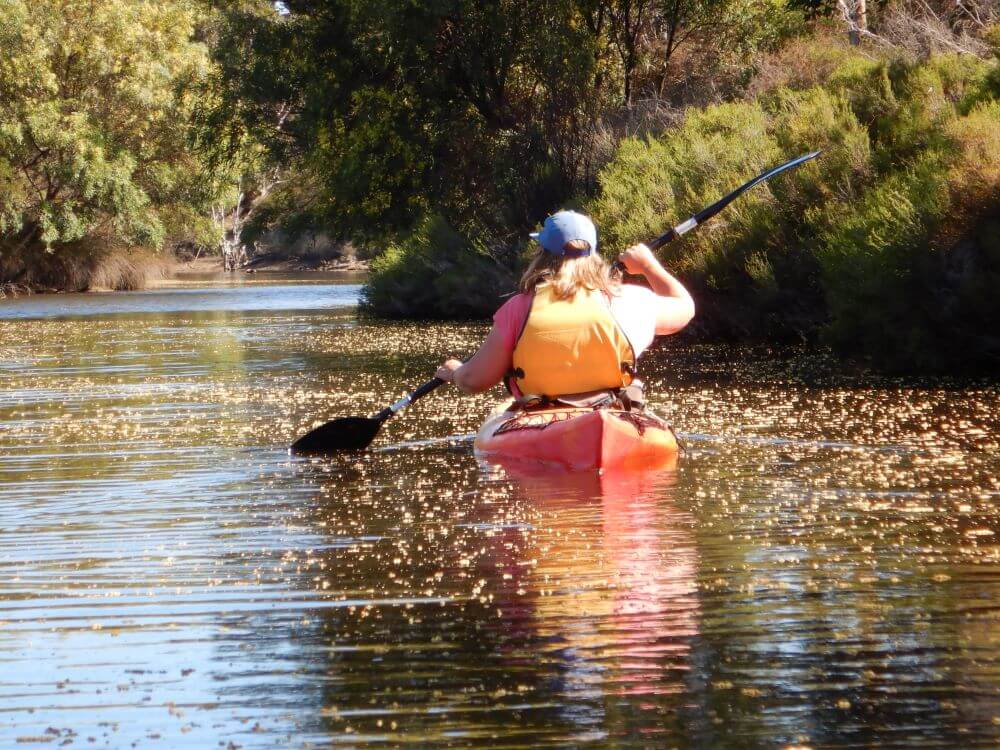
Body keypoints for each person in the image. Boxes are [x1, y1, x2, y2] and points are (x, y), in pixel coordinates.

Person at [434, 210, 694, 404]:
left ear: (541, 256)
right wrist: (649, 267)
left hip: (542, 417)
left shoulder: (518, 309)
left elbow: (474, 380)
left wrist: (456, 373)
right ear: (593, 255)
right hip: (610, 411)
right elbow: (684, 308)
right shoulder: (625, 300)